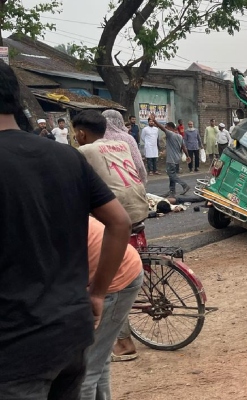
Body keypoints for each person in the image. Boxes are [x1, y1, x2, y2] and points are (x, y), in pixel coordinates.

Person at [0, 61, 131, 399]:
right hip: (70, 332)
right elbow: (119, 221)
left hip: (14, 349)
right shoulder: (66, 157)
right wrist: (98, 293)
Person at [80, 217, 143, 399]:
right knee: (99, 358)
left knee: (86, 370)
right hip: (116, 272)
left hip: (115, 280)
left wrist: (96, 295)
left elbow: (121, 221)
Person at [75, 110, 148, 226]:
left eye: (75, 136)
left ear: (82, 134)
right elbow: (139, 166)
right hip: (141, 206)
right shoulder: (125, 143)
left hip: (116, 215)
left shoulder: (84, 150)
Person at [103, 109, 148, 184]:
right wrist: (142, 180)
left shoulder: (97, 137)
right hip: (128, 180)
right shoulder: (127, 138)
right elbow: (137, 162)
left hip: (106, 183)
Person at [155, 121, 191, 197]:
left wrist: (154, 120)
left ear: (170, 128)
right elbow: (184, 147)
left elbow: (161, 128)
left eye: (167, 127)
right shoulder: (180, 136)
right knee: (172, 174)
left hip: (171, 159)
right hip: (177, 159)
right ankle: (172, 191)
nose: (165, 128)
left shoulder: (170, 134)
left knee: (171, 175)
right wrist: (188, 156)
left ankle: (185, 185)